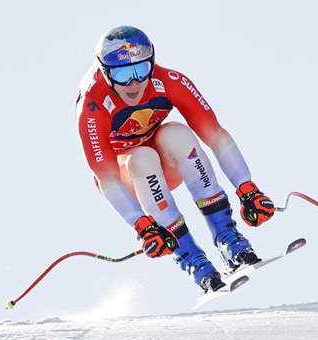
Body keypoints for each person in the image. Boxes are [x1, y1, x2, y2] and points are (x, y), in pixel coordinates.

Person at [76, 26, 276, 293]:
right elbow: (106, 177)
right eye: (123, 75)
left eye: (140, 71)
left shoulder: (170, 81)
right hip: (129, 178)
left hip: (167, 164)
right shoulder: (92, 104)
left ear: (152, 64)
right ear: (105, 72)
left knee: (179, 135)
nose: (133, 84)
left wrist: (246, 186)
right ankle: (194, 261)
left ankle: (229, 239)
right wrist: (141, 224)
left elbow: (215, 135)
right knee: (143, 158)